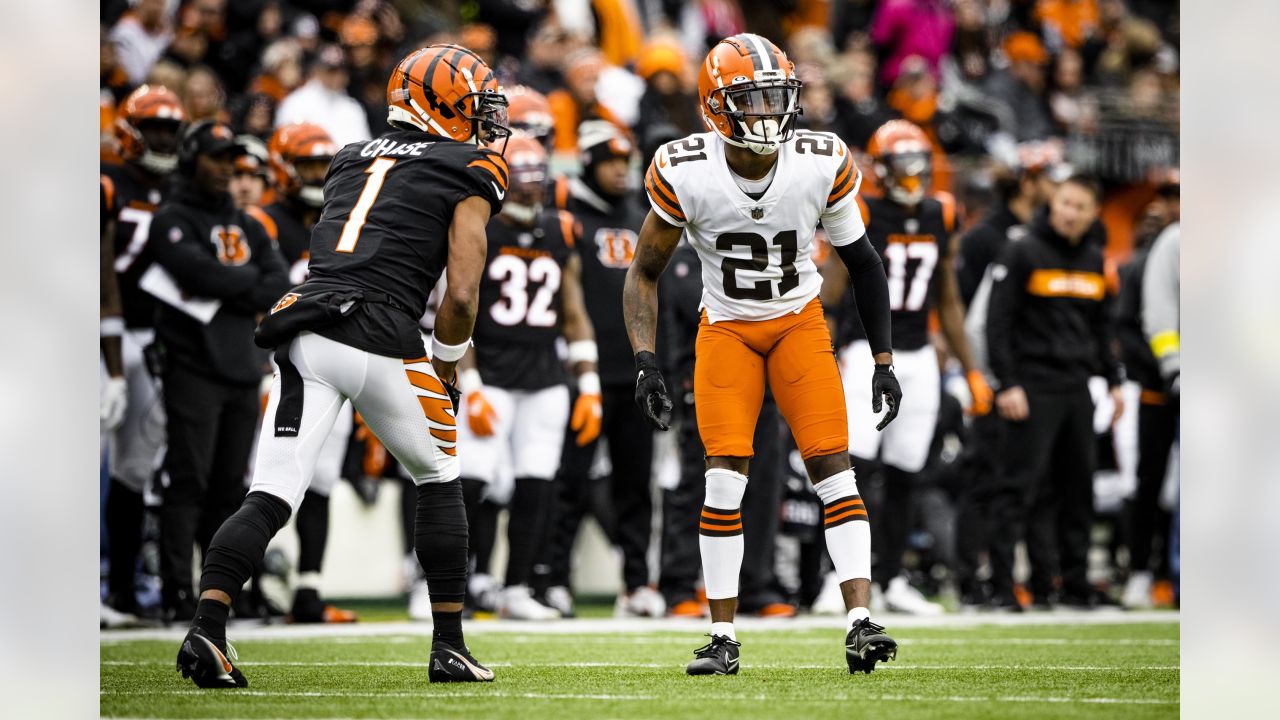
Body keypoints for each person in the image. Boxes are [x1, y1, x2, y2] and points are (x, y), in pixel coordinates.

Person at [174, 44, 510, 688]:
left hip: (309, 326)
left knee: (272, 492)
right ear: (433, 105)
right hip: (384, 333)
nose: (483, 121)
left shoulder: (349, 157)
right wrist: (445, 363)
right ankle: (449, 644)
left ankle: (207, 629)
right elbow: (462, 295)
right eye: (472, 107)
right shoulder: (469, 165)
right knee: (440, 476)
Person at [623, 34, 902, 675]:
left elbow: (863, 263)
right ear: (716, 108)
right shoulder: (684, 167)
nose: (769, 113)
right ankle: (722, 636)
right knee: (723, 480)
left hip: (799, 322)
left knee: (834, 469)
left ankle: (860, 619)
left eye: (777, 98)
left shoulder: (820, 158)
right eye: (752, 100)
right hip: (726, 328)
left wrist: (883, 360)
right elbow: (643, 272)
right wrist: (645, 358)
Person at [825, 120, 992, 615]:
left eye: (920, 163)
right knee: (850, 469)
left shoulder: (942, 212)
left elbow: (949, 299)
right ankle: (834, 579)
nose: (914, 174)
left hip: (919, 356)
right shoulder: (859, 210)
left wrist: (972, 369)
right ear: (881, 168)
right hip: (864, 352)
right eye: (904, 164)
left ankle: (893, 577)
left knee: (905, 473)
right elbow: (831, 294)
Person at [148, 120, 290, 621]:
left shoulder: (248, 223)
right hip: (190, 364)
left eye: (230, 159)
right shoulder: (172, 217)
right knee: (188, 480)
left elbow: (275, 284)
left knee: (232, 486)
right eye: (214, 157)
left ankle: (223, 591)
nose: (225, 168)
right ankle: (173, 590)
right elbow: (193, 270)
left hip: (241, 365)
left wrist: (227, 283)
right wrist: (241, 282)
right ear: (192, 160)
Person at [455, 135, 601, 620]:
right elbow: (459, 309)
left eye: (536, 186)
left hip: (544, 376)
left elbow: (575, 312)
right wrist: (469, 386)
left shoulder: (560, 231)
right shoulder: (482, 227)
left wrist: (589, 385)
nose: (529, 195)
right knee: (469, 483)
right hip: (492, 372)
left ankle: (517, 587)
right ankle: (445, 583)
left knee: (536, 483)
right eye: (520, 187)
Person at [538, 121, 662, 619]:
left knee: (636, 483)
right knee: (569, 481)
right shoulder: (568, 219)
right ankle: (554, 579)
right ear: (588, 163)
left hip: (634, 372)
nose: (620, 171)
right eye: (610, 161)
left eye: (624, 162)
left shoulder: (640, 216)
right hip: (584, 374)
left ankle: (636, 583)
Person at [985, 174, 1125, 610]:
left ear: (1093, 212)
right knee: (1018, 490)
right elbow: (997, 323)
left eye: (1080, 206)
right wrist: (1007, 383)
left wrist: (1115, 380)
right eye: (1065, 203)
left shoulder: (1094, 258)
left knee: (1077, 490)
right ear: (1054, 203)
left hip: (1077, 387)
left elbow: (1102, 328)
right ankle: (1004, 584)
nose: (1070, 212)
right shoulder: (1022, 249)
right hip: (1031, 385)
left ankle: (1075, 584)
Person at [250, 122, 358, 624]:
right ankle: (244, 586)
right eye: (307, 165)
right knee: (261, 478)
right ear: (282, 167)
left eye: (322, 164)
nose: (317, 174)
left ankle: (309, 589)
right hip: (273, 363)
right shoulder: (264, 221)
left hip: (326, 363)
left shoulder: (340, 219)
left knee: (322, 481)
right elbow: (254, 299)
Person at [100, 85, 186, 619]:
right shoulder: (107, 183)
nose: (161, 138)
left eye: (168, 129)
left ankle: (122, 588)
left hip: (151, 339)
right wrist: (110, 363)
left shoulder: (179, 191)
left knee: (133, 469)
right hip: (101, 333)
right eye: (152, 127)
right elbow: (100, 272)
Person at [1115, 179, 1178, 608]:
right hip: (1158, 391)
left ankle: (1166, 573)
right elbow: (1129, 328)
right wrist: (1161, 373)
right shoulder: (1140, 266)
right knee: (1149, 481)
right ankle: (1140, 571)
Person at [275, 44, 371, 147]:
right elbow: (284, 146)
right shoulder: (295, 103)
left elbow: (366, 149)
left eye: (341, 70)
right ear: (317, 71)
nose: (337, 76)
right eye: (331, 71)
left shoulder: (353, 108)